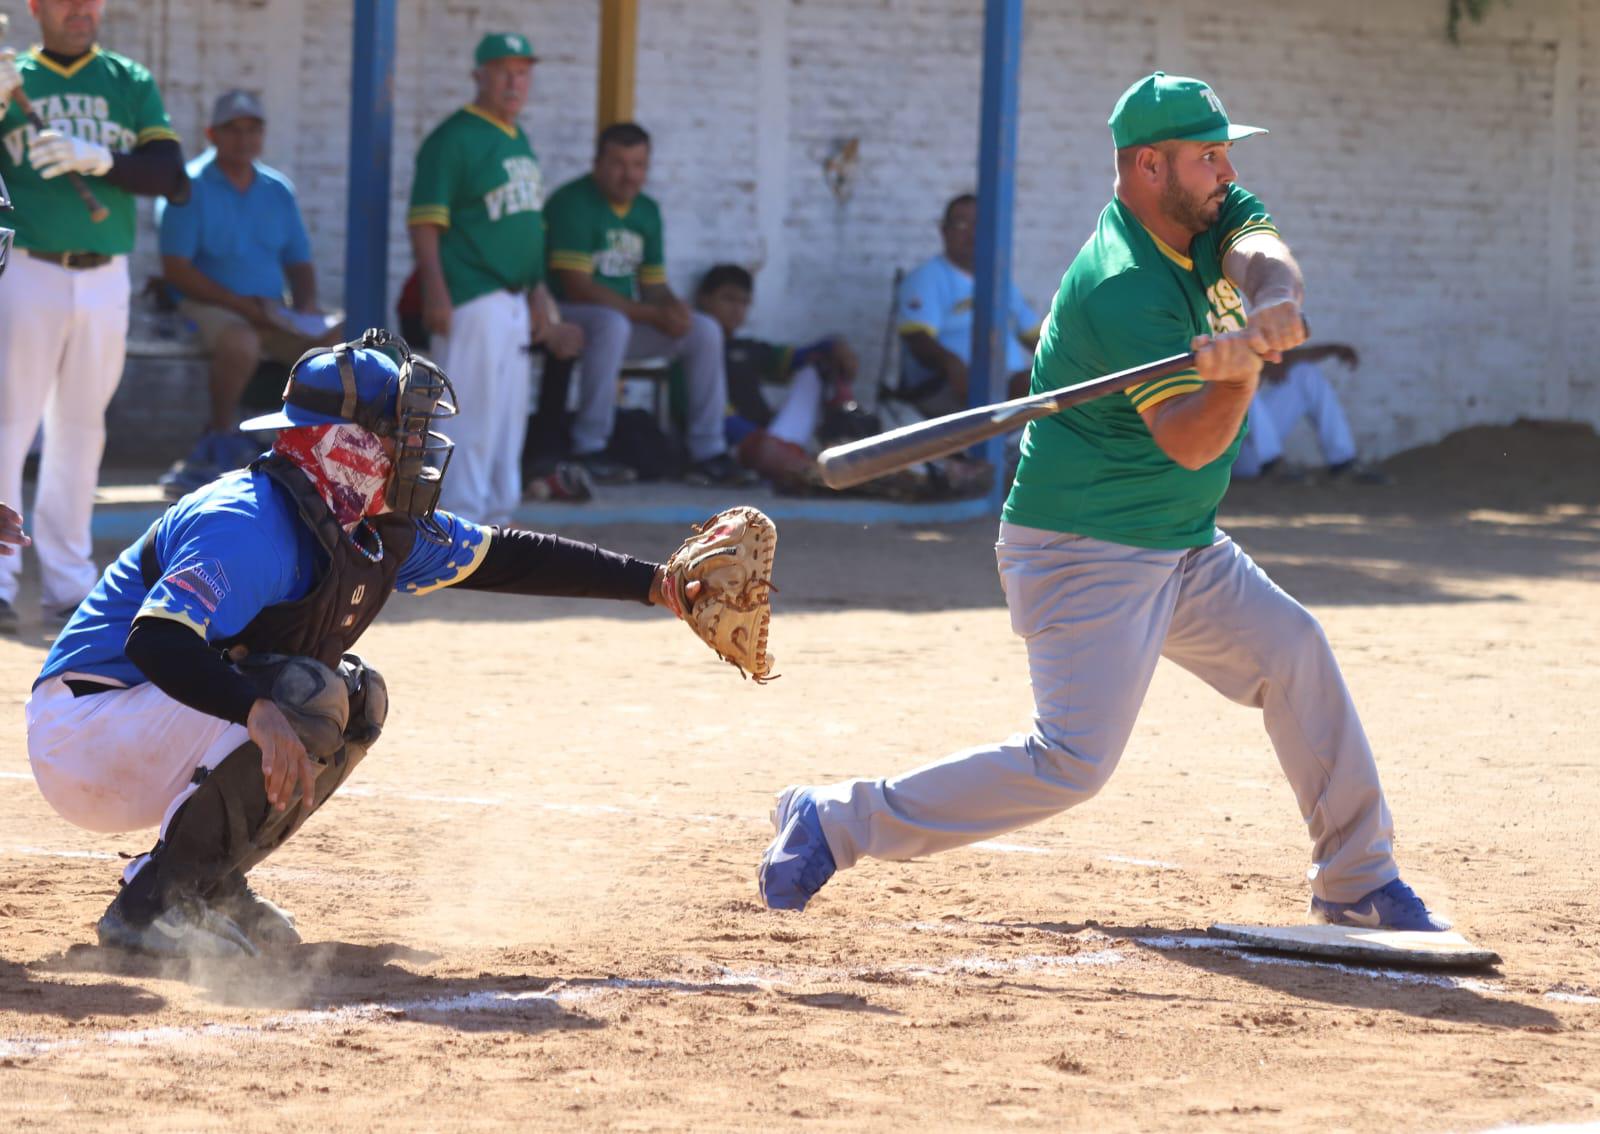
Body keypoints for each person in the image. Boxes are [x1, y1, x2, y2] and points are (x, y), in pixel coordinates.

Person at [757, 72, 1449, 934]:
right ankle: (831, 819)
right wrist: (1236, 380)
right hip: (1085, 546)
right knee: (1072, 763)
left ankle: (1357, 879)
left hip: (1181, 540)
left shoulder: (1209, 208)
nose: (1225, 170)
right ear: (1148, 167)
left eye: (1226, 152)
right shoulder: (1121, 286)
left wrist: (1276, 302)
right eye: (1207, 155)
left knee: (1296, 652)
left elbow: (1262, 252)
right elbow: (1194, 439)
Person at [25, 328, 708, 959]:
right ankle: (151, 909)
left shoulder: (359, 519)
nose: (414, 451)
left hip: (151, 724)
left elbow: (509, 557)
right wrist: (257, 713)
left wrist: (659, 585)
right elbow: (156, 640)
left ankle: (203, 881)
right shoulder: (246, 520)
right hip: (87, 724)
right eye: (399, 434)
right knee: (305, 698)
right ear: (338, 444)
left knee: (358, 696)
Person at [0, 0, 188, 634]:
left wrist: (102, 159)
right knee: (7, 423)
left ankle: (67, 584)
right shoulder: (11, 73)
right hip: (26, 266)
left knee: (81, 431)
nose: (81, 9)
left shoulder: (126, 80)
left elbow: (173, 176)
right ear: (36, 8)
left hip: (105, 275)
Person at [407, 32, 581, 526]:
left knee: (506, 422)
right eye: (503, 70)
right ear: (479, 75)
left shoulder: (517, 137)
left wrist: (539, 293)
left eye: (522, 71)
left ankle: (497, 524)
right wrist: (435, 290)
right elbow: (425, 221)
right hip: (470, 294)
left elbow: (527, 228)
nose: (514, 81)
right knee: (469, 415)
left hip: (514, 297)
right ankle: (454, 520)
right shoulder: (453, 137)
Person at [155, 89, 341, 500]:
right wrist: (243, 306)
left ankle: (299, 446)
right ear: (211, 134)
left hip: (269, 309)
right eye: (232, 129)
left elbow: (299, 261)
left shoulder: (277, 189)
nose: (243, 138)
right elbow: (177, 270)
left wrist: (306, 304)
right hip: (207, 305)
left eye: (252, 129)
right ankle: (219, 440)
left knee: (335, 341)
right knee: (241, 341)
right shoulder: (189, 185)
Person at [545, 122, 752, 487]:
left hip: (620, 323)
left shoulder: (646, 211)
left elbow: (652, 284)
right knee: (612, 324)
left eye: (638, 165)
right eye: (619, 164)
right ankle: (589, 448)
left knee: (703, 329)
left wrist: (673, 309)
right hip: (565, 318)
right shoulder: (572, 201)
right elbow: (578, 287)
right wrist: (652, 313)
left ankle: (708, 450)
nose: (629, 175)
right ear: (597, 164)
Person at [693, 263, 860, 492]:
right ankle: (811, 468)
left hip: (775, 439)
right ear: (704, 299)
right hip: (733, 446)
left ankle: (846, 443)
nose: (736, 309)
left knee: (819, 365)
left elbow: (804, 355)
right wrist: (757, 440)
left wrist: (837, 345)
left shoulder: (747, 348)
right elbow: (710, 413)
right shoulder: (691, 352)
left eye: (744, 302)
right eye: (728, 299)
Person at [891, 192, 1041, 417]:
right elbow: (917, 338)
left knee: (1041, 381)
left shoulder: (1001, 283)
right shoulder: (928, 277)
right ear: (944, 231)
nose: (971, 234)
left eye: (979, 225)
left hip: (1010, 385)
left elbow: (1036, 337)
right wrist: (951, 363)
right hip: (948, 387)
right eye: (961, 225)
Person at [1234, 342, 1390, 484]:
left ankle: (1343, 462)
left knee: (1305, 373)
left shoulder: (1232, 322)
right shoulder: (1213, 332)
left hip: (1251, 449)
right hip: (1225, 458)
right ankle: (1271, 465)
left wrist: (1331, 349)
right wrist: (1264, 366)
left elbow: (1279, 358)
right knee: (1243, 386)